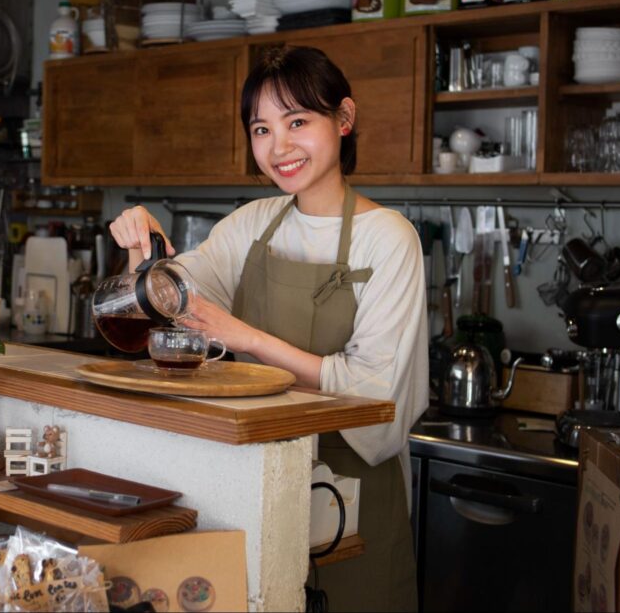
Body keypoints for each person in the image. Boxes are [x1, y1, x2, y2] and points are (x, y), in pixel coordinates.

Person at [109, 45, 428, 611]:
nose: (279, 147)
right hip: (253, 485)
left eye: (298, 121)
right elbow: (167, 298)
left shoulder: (390, 238)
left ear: (345, 119)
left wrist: (245, 338)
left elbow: (376, 397)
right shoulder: (251, 225)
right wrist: (145, 255)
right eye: (262, 128)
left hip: (351, 501)